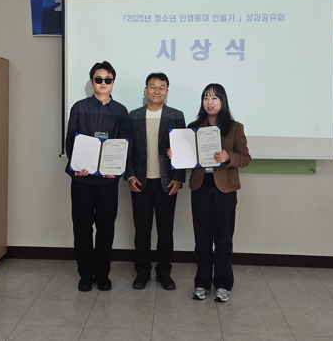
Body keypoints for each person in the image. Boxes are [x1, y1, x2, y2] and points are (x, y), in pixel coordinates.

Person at [170, 83, 250, 302]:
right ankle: (202, 283)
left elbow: (245, 158)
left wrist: (228, 157)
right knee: (202, 239)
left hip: (225, 189)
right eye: (206, 98)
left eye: (214, 98)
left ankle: (223, 284)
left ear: (222, 101)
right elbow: (186, 157)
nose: (209, 102)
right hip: (200, 187)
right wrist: (175, 154)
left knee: (223, 239)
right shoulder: (193, 127)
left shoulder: (235, 128)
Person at [65, 61, 130, 292]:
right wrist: (77, 165)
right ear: (92, 81)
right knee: (82, 228)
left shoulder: (121, 111)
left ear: (113, 82)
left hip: (107, 182)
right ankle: (85, 275)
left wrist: (117, 167)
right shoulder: (79, 107)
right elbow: (71, 141)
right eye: (99, 79)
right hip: (82, 180)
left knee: (106, 229)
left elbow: (125, 144)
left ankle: (102, 275)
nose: (103, 83)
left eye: (108, 79)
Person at [126, 72, 186, 290]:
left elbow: (183, 150)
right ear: (146, 90)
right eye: (153, 86)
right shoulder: (133, 116)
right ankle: (142, 273)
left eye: (162, 87)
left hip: (166, 183)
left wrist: (178, 178)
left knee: (165, 231)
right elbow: (128, 149)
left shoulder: (176, 116)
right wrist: (130, 175)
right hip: (140, 183)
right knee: (142, 232)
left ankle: (164, 273)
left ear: (167, 92)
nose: (157, 91)